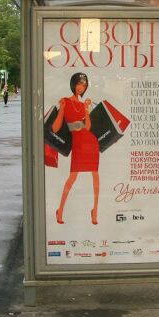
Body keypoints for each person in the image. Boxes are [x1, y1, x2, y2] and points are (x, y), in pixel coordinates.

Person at [51, 72, 100, 225]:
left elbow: (88, 127)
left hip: (90, 142)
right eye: (79, 84)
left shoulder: (82, 104)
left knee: (95, 175)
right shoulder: (65, 101)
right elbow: (55, 128)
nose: (81, 87)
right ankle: (60, 210)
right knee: (72, 178)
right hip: (78, 143)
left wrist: (86, 109)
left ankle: (95, 210)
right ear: (73, 84)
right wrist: (61, 109)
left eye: (84, 85)